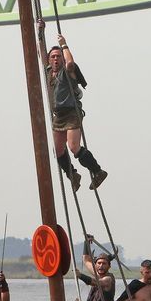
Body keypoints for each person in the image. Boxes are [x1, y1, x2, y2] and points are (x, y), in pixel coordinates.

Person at [39, 19, 106, 191]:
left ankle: (97, 172)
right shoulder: (48, 72)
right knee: (59, 151)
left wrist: (64, 45)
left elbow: (70, 63)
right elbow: (40, 52)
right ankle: (73, 175)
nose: (55, 59)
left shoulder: (66, 72)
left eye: (58, 57)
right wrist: (40, 32)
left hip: (71, 114)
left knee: (73, 147)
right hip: (58, 116)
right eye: (52, 57)